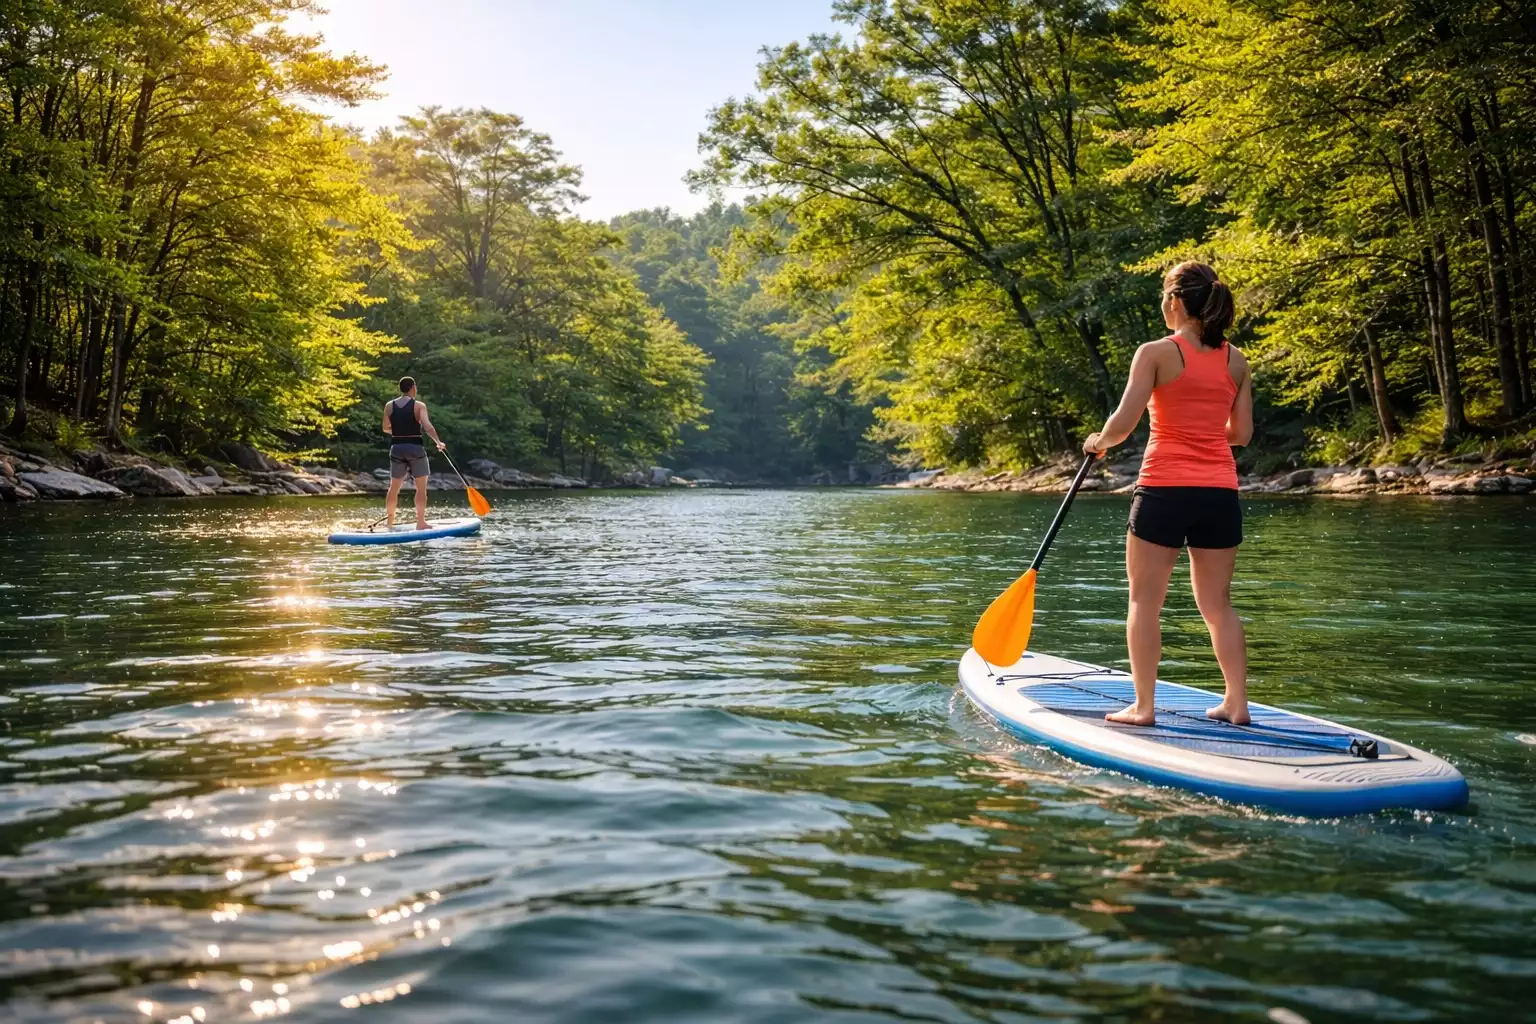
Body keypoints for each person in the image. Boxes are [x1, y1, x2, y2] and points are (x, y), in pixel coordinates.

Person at [1082, 261, 1254, 726]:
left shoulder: (1156, 353)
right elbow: (1241, 433)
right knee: (1218, 605)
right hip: (1219, 493)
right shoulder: (1236, 359)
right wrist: (1203, 425)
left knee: (1144, 601)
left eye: (1164, 296)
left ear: (1175, 301)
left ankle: (1143, 708)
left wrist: (1097, 442)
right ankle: (1236, 704)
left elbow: (1122, 424)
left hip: (1164, 489)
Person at [383, 376, 446, 530]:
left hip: (396, 448)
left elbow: (385, 428)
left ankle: (389, 523)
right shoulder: (419, 406)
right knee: (421, 487)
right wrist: (438, 442)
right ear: (413, 388)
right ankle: (420, 522)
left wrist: (399, 430)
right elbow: (427, 426)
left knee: (394, 487)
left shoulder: (389, 406)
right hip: (415, 448)